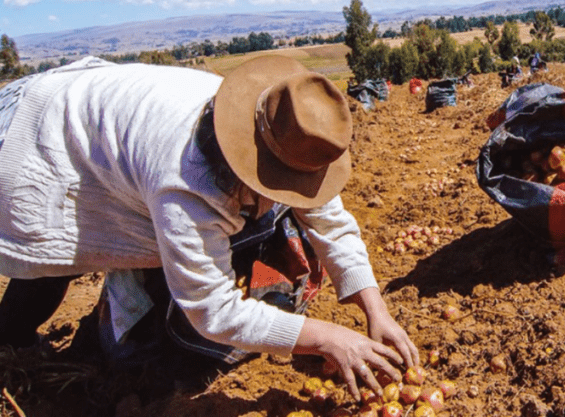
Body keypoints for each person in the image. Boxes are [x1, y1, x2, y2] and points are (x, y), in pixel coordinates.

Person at [0, 55, 418, 400]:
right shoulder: (186, 180)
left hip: (104, 127)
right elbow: (213, 310)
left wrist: (374, 310)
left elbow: (331, 221)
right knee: (52, 256)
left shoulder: (286, 131)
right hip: (41, 137)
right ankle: (16, 350)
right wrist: (328, 338)